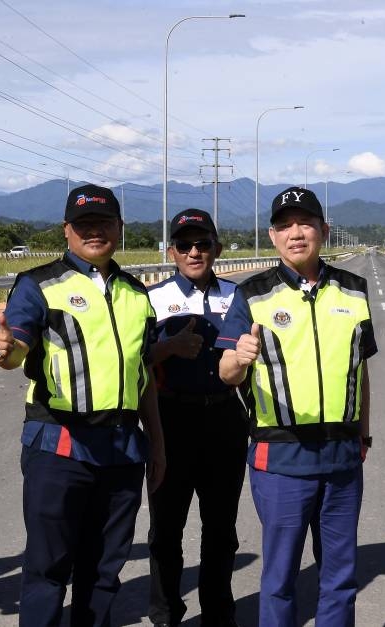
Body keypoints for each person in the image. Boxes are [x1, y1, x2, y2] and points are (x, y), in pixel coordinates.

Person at [0, 183, 166, 627]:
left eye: (103, 222)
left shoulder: (136, 295)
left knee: (105, 567)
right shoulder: (39, 285)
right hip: (59, 445)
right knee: (49, 566)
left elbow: (142, 379)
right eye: (84, 224)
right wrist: (4, 349)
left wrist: (157, 447)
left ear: (120, 228)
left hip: (123, 449)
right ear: (67, 230)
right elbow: (16, 350)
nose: (94, 231)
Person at [217, 186, 376, 627]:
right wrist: (238, 359)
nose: (296, 233)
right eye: (285, 225)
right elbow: (226, 372)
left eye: (305, 223)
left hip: (343, 459)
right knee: (281, 577)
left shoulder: (354, 291)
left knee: (341, 578)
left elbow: (360, 371)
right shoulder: (252, 294)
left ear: (323, 230)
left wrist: (363, 433)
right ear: (272, 235)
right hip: (281, 457)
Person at [146, 209, 248, 627]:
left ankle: (218, 614)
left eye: (202, 244)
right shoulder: (149, 298)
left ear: (216, 249)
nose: (194, 252)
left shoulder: (238, 297)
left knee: (221, 529)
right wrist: (168, 348)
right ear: (171, 250)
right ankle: (166, 613)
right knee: (166, 531)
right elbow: (132, 364)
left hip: (224, 419)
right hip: (171, 420)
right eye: (185, 244)